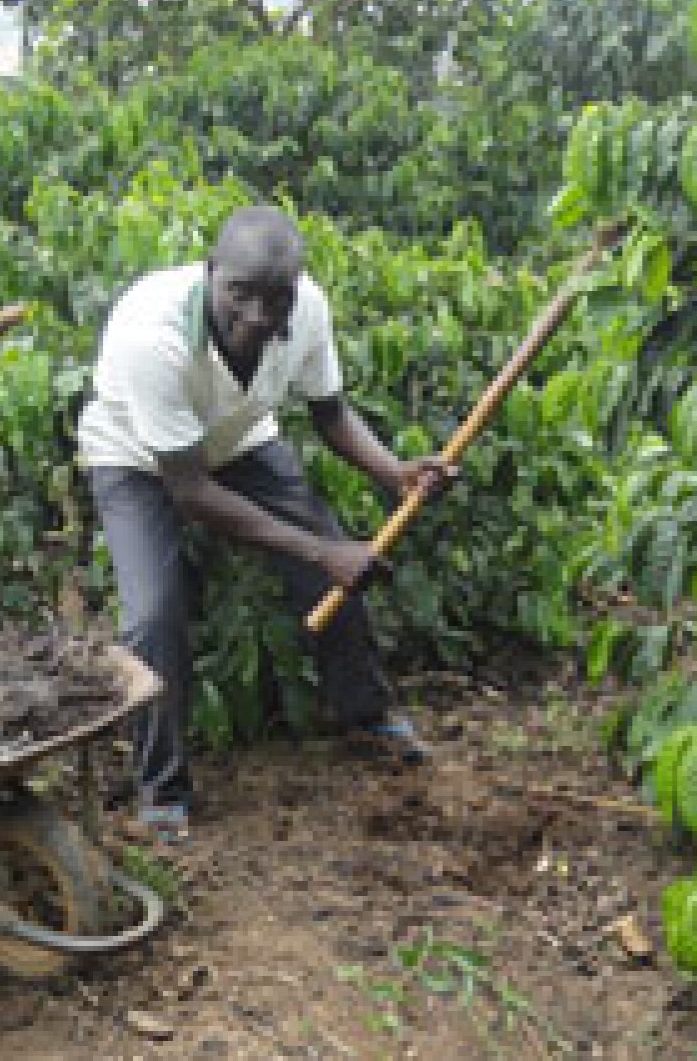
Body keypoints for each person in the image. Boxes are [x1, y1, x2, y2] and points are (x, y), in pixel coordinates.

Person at [78, 205, 451, 839]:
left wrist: (395, 474)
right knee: (154, 614)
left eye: (274, 299)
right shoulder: (153, 333)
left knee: (336, 561)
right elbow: (192, 491)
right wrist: (317, 552)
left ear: (296, 291)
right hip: (139, 459)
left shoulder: (307, 309)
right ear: (210, 273)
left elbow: (331, 414)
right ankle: (161, 786)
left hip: (242, 439)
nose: (256, 316)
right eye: (239, 294)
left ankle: (366, 715)